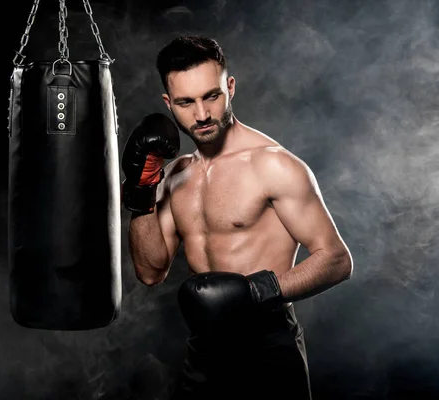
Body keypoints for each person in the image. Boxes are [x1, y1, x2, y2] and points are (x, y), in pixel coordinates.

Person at [121, 36, 354, 399]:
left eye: (210, 96)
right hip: (205, 349)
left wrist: (255, 292)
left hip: (268, 346)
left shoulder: (273, 165)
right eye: (185, 102)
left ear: (229, 87)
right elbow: (150, 272)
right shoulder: (175, 175)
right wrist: (142, 194)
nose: (200, 114)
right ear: (169, 104)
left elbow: (337, 260)